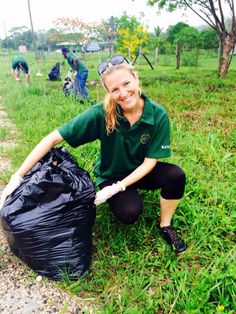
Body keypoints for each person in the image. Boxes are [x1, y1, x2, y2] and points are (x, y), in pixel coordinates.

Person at [0, 54, 187, 254]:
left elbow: (150, 163)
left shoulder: (157, 114)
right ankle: (123, 195)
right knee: (129, 213)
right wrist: (17, 177)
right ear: (108, 91)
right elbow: (52, 139)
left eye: (126, 83)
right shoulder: (102, 113)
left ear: (136, 79)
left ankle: (165, 225)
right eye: (115, 89)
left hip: (141, 170)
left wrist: (120, 187)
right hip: (113, 173)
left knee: (176, 175)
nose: (123, 93)